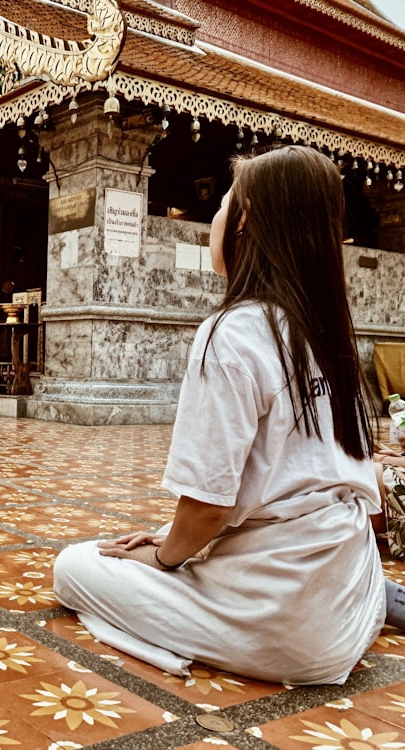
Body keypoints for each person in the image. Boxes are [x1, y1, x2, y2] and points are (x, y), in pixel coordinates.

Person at [52, 146, 385, 686]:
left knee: (73, 566)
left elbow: (209, 508)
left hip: (287, 629)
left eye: (223, 203)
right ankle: (383, 601)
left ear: (245, 219)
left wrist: (163, 558)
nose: (216, 218)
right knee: (167, 544)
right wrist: (165, 535)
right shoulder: (328, 332)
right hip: (353, 592)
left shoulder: (233, 332)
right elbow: (295, 482)